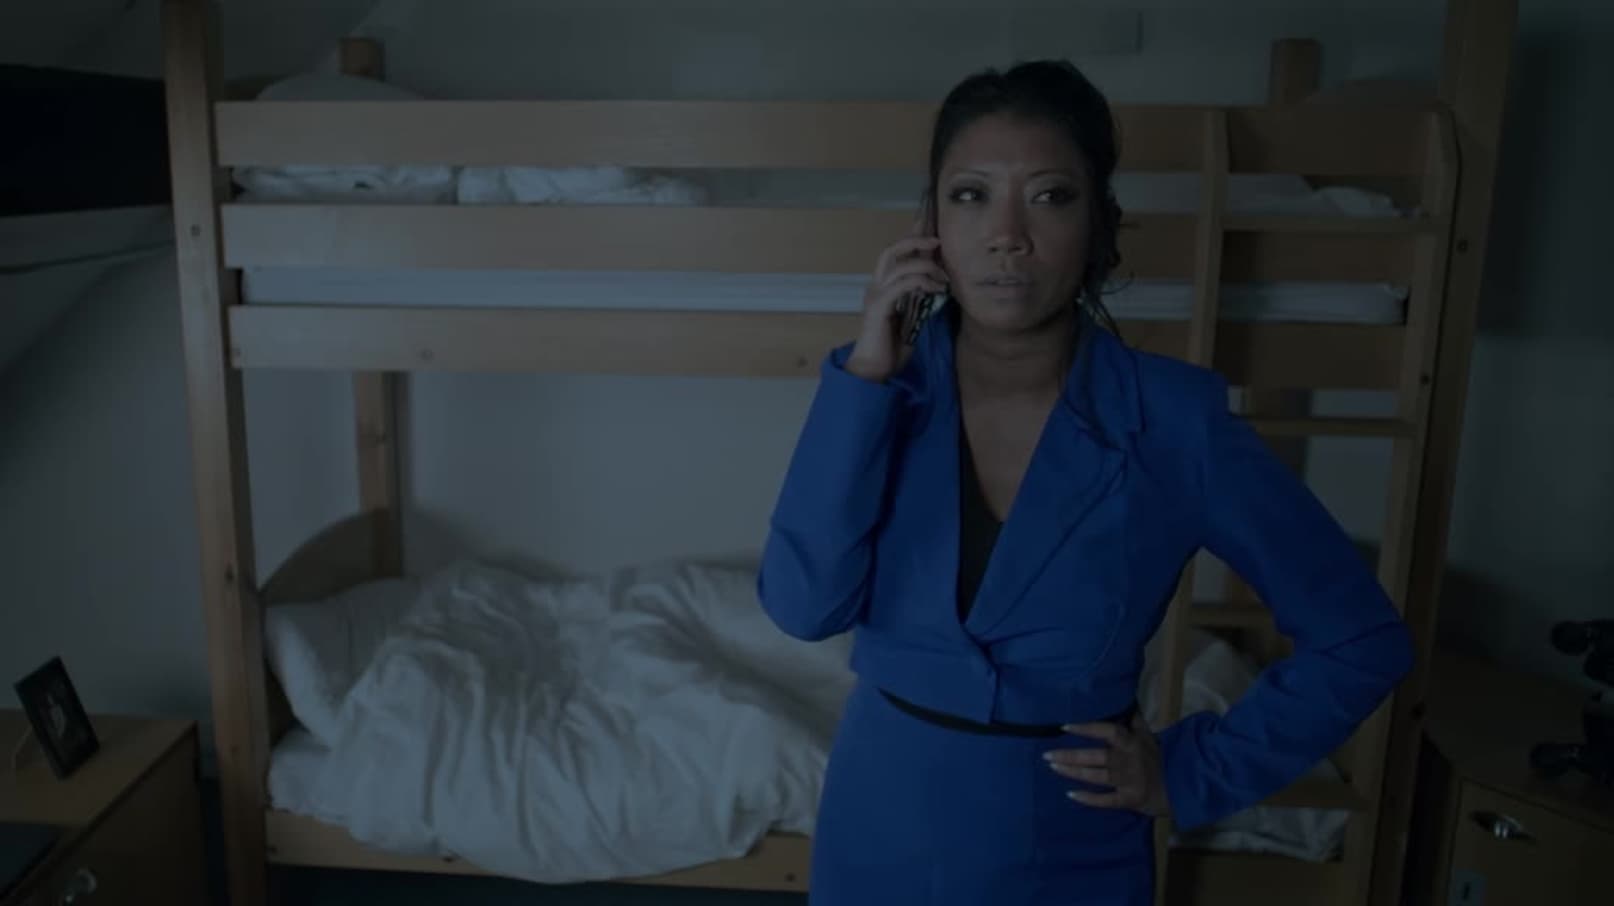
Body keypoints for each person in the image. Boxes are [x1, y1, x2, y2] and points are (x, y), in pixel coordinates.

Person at [756, 60, 1414, 905]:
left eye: (1050, 196)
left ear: (1099, 223)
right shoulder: (880, 395)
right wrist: (865, 384)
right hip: (875, 823)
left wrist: (1191, 770)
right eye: (970, 196)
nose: (1007, 235)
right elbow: (803, 607)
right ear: (930, 226)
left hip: (1064, 848)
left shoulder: (1174, 420)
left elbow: (1361, 640)